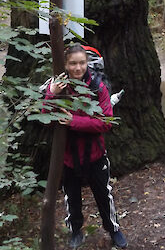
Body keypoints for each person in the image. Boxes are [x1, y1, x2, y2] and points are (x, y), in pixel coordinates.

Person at [44, 44, 128, 249]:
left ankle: (113, 229)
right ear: (65, 64)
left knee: (103, 195)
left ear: (87, 63)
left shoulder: (98, 87)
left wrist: (74, 121)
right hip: (68, 156)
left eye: (82, 63)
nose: (78, 68)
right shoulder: (58, 88)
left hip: (95, 154)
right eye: (73, 63)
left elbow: (106, 122)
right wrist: (51, 94)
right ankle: (76, 232)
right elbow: (46, 118)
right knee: (71, 198)